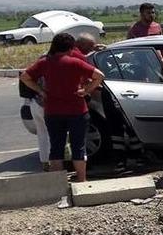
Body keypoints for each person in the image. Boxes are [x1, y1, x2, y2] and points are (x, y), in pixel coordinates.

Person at [20, 33, 104, 182]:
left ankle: (59, 182)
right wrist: (86, 90)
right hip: (77, 110)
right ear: (70, 48)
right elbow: (99, 76)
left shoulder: (44, 63)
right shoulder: (75, 62)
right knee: (78, 147)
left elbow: (25, 77)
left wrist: (41, 91)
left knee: (56, 147)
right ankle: (82, 180)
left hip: (53, 111)